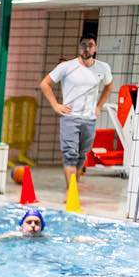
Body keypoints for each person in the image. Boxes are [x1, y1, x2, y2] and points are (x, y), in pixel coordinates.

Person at [39, 36, 114, 184]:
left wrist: (99, 106)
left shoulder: (103, 68)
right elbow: (45, 84)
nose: (86, 48)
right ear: (79, 47)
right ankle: (70, 192)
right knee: (70, 155)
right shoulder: (66, 66)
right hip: (70, 117)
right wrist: (56, 105)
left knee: (81, 156)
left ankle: (74, 190)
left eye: (90, 45)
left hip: (89, 119)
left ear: (95, 48)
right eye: (83, 45)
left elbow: (109, 85)